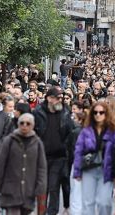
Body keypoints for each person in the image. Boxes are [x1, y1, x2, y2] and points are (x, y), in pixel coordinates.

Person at [0, 113, 47, 215]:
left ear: (32, 125)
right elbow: (1, 164)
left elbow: (41, 167)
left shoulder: (37, 142)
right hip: (11, 190)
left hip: (28, 191)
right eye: (22, 123)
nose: (25, 126)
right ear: (18, 124)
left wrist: (40, 187)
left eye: (28, 123)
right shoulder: (9, 141)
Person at [73, 102, 115, 215]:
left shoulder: (113, 132)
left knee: (104, 202)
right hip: (89, 169)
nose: (98, 115)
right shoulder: (86, 131)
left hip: (106, 170)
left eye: (101, 112)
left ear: (106, 114)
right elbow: (78, 151)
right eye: (95, 112)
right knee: (88, 203)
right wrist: (77, 171)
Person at [33, 87, 73, 215]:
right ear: (49, 98)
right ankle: (41, 211)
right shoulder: (38, 112)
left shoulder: (65, 111)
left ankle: (52, 212)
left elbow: (70, 131)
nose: (60, 101)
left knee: (54, 185)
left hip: (59, 156)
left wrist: (65, 146)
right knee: (42, 186)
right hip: (42, 155)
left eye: (61, 98)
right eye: (57, 98)